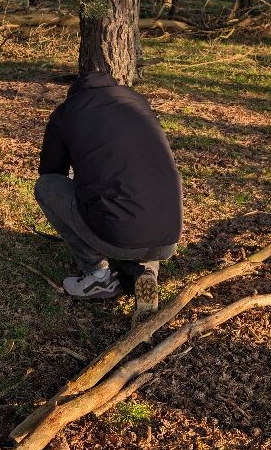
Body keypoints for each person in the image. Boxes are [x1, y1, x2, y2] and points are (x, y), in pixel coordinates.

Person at [35, 67, 183, 323]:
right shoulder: (137, 102)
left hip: (119, 232)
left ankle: (96, 275)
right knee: (142, 199)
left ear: (75, 92)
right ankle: (145, 269)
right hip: (169, 236)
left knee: (46, 188)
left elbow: (51, 172)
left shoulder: (68, 112)